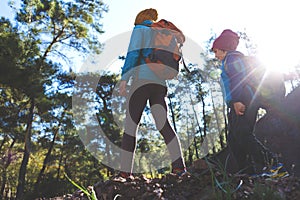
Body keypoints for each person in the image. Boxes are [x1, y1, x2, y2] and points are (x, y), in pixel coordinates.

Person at [117, 8, 187, 180]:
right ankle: (179, 167)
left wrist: (124, 78)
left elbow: (134, 53)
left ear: (139, 19)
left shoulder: (140, 29)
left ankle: (125, 172)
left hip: (141, 81)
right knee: (164, 125)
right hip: (159, 84)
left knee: (131, 125)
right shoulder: (161, 32)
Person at [211, 29, 288, 177]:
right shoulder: (230, 60)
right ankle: (246, 172)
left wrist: (237, 100)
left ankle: (273, 164)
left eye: (216, 51)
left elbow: (239, 79)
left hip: (243, 101)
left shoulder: (232, 59)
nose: (215, 55)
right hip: (238, 102)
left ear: (224, 48)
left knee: (243, 134)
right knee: (233, 138)